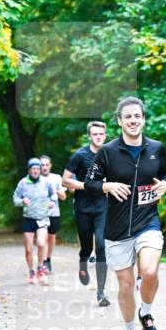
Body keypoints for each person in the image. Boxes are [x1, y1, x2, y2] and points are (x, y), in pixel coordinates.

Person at [84, 98, 166, 330]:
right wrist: (107, 185)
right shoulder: (108, 152)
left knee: (150, 272)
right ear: (120, 121)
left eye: (137, 116)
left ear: (143, 119)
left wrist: (164, 184)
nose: (133, 121)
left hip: (148, 222)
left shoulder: (157, 149)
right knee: (124, 285)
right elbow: (90, 182)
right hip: (116, 228)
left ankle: (147, 313)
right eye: (128, 117)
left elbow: (165, 173)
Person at [62, 121, 111, 306]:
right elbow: (65, 180)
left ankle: (101, 293)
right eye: (95, 134)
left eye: (101, 134)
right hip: (82, 207)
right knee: (87, 248)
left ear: (105, 135)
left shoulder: (111, 155)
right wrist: (87, 185)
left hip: (102, 207)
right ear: (89, 136)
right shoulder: (80, 155)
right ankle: (83, 262)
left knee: (101, 245)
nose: (98, 137)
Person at [13, 158, 58, 285]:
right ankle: (31, 272)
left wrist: (52, 202)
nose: (35, 171)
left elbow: (54, 195)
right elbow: (15, 198)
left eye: (37, 169)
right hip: (28, 218)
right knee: (28, 249)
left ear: (39, 170)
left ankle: (40, 269)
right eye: (33, 169)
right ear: (29, 170)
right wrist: (22, 202)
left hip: (42, 218)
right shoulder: (23, 183)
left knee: (41, 243)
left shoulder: (46, 182)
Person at [39, 155, 67, 274]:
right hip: (40, 214)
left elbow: (64, 197)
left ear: (50, 166)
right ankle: (43, 261)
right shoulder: (35, 178)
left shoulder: (56, 178)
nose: (44, 167)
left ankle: (48, 259)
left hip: (54, 213)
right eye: (42, 165)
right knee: (42, 238)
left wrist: (55, 191)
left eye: (46, 165)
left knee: (51, 237)